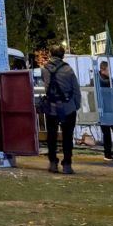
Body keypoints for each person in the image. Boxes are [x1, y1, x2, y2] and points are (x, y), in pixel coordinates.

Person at [42, 45, 81, 175]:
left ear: (50, 54)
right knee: (67, 137)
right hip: (68, 107)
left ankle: (53, 162)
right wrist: (76, 104)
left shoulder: (44, 69)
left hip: (51, 107)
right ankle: (67, 165)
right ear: (63, 55)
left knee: (51, 136)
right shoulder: (68, 70)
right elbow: (76, 89)